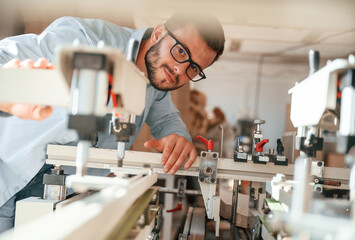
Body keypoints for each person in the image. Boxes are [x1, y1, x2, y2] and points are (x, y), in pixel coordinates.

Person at [0, 13, 225, 232]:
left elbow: (168, 119)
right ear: (158, 33)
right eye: (181, 51)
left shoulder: (155, 82)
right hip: (8, 174)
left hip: (55, 197)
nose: (180, 70)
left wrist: (178, 137)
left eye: (194, 68)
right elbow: (6, 56)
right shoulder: (87, 39)